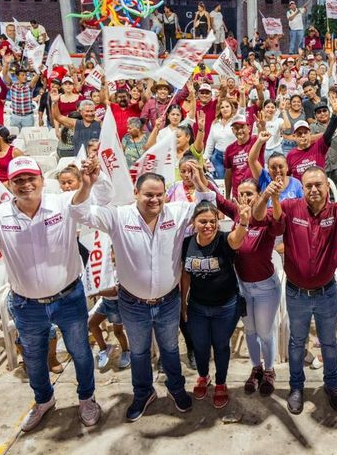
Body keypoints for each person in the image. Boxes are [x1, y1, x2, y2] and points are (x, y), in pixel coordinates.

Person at [71, 159, 215, 421]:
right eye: (148, 194)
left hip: (168, 301)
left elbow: (209, 207)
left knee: (170, 349)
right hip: (133, 302)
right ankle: (143, 393)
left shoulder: (178, 212)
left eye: (159, 195)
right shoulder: (118, 216)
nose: (154, 200)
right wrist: (88, 184)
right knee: (138, 352)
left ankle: (175, 388)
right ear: (136, 193)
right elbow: (79, 213)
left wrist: (198, 180)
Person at [0, 156, 101, 432]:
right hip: (27, 304)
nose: (26, 184)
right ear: (10, 184)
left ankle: (87, 398)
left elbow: (82, 205)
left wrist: (86, 186)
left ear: (41, 179)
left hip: (69, 297)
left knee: (80, 352)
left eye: (31, 178)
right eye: (19, 180)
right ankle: (44, 400)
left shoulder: (61, 203)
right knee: (35, 358)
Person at [252, 166, 337, 415]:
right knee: (297, 342)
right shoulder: (289, 208)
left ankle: (332, 385)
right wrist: (267, 195)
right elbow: (257, 217)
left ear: (327, 187)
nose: (313, 190)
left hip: (327, 293)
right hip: (297, 293)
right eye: (308, 185)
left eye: (318, 185)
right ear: (302, 188)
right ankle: (296, 387)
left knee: (329, 343)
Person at [215, 179, 285, 395]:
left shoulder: (267, 217)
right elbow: (215, 198)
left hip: (266, 288)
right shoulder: (237, 214)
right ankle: (256, 369)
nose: (245, 198)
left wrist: (267, 197)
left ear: (258, 195)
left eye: (250, 193)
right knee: (251, 331)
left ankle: (270, 370)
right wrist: (198, 172)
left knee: (265, 333)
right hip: (243, 288)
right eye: (241, 193)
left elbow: (280, 225)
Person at [181, 198, 251, 408]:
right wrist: (183, 301)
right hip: (197, 307)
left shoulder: (223, 240)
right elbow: (185, 273)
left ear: (218, 222)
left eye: (212, 221)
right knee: (200, 346)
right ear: (194, 222)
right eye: (203, 221)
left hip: (225, 307)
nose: (208, 226)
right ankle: (204, 376)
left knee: (221, 346)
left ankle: (221, 382)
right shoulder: (187, 243)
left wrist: (244, 222)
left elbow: (237, 239)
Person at [286, 94, 337, 181]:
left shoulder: (318, 147)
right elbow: (286, 176)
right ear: (294, 136)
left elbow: (330, 131)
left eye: (305, 132)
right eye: (299, 133)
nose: (303, 135)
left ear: (309, 133)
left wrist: (334, 114)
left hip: (335, 163)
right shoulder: (291, 155)